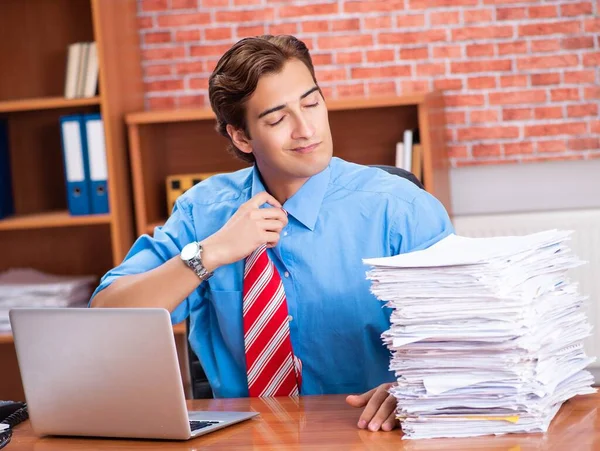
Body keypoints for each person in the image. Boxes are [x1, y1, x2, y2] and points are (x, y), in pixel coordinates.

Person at [90, 34, 454, 432]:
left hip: (371, 432)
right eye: (278, 119)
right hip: (244, 437)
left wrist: (412, 389)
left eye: (312, 103)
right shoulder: (202, 212)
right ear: (241, 136)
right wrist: (208, 255)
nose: (305, 129)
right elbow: (108, 317)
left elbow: (469, 342)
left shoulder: (400, 209)